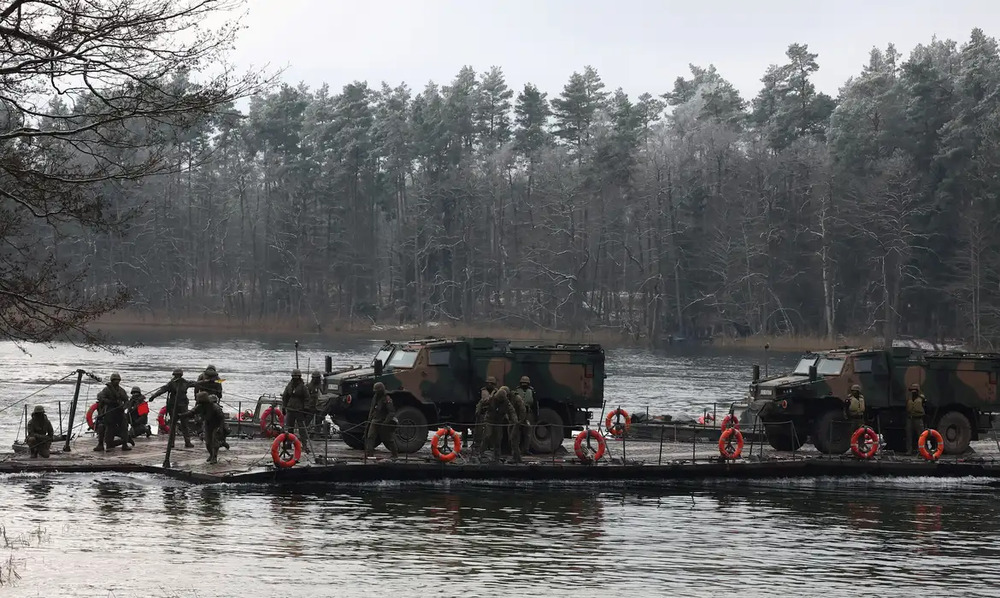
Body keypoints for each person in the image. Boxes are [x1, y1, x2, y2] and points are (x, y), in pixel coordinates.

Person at [148, 369, 195, 448]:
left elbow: (196, 383)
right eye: (175, 375)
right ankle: (171, 443)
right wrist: (153, 396)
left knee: (184, 424)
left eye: (178, 375)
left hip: (183, 406)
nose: (176, 376)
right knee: (173, 424)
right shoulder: (171, 384)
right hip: (173, 406)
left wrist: (210, 382)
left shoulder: (185, 382)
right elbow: (162, 390)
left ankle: (187, 442)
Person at [181, 391, 225, 464]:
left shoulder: (214, 406)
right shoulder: (200, 406)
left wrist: (221, 428)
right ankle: (211, 454)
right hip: (207, 424)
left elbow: (221, 417)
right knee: (208, 442)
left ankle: (214, 457)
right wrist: (182, 415)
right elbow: (192, 412)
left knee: (214, 441)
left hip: (216, 424)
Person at [96, 372, 130, 452]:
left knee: (124, 426)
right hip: (110, 410)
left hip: (119, 411)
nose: (116, 381)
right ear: (112, 380)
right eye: (115, 380)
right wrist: (110, 402)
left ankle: (125, 444)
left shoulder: (121, 390)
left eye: (118, 380)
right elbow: (101, 397)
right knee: (110, 428)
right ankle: (108, 445)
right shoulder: (107, 389)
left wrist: (124, 407)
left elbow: (126, 400)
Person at [484, 386, 518, 464]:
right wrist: (478, 411)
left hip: (498, 422)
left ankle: (497, 456)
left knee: (498, 439)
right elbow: (482, 403)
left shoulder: (506, 402)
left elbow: (512, 411)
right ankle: (481, 453)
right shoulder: (492, 399)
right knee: (487, 436)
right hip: (489, 420)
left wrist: (515, 420)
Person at [364, 381, 398, 458]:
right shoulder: (375, 397)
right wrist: (369, 419)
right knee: (370, 437)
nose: (376, 392)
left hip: (383, 421)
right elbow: (372, 409)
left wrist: (386, 422)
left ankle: (394, 454)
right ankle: (369, 454)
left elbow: (391, 412)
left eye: (377, 391)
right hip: (375, 420)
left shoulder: (387, 398)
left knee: (388, 439)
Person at [281, 369, 310, 451]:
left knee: (302, 428)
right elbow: (285, 396)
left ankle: (304, 444)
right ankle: (289, 444)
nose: (295, 378)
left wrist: (306, 408)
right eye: (294, 377)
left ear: (299, 377)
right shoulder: (289, 386)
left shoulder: (303, 387)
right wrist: (284, 407)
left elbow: (307, 398)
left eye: (296, 377)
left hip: (299, 410)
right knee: (290, 428)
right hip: (290, 409)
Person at [473, 376, 498, 455]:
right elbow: (479, 402)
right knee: (479, 431)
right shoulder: (482, 391)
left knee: (491, 433)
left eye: (491, 383)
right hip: (483, 413)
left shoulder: (497, 392)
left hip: (492, 414)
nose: (490, 384)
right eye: (488, 383)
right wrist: (478, 411)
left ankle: (490, 447)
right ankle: (478, 447)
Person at [512, 376, 535, 455]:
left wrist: (535, 414)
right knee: (517, 433)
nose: (524, 385)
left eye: (526, 383)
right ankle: (516, 450)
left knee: (528, 433)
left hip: (528, 414)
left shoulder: (531, 391)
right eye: (522, 383)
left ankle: (526, 449)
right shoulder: (516, 391)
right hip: (518, 413)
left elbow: (535, 403)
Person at [905, 383, 928, 455]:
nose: (913, 391)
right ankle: (909, 450)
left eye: (915, 390)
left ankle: (922, 450)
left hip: (918, 419)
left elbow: (925, 407)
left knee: (921, 436)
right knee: (909, 435)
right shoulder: (909, 398)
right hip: (910, 418)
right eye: (912, 390)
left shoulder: (922, 398)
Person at [506, 385, 526, 463]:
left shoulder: (517, 398)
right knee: (511, 440)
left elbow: (523, 409)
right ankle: (516, 457)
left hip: (517, 421)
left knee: (514, 439)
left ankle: (516, 458)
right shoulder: (508, 398)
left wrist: (520, 421)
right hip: (511, 421)